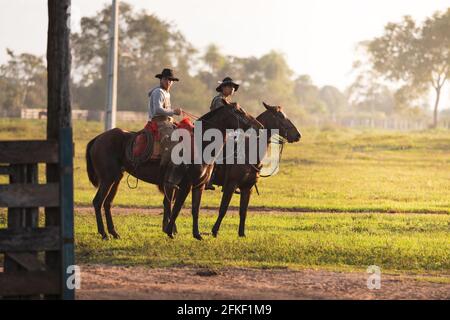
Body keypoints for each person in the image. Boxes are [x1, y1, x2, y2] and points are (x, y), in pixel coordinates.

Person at [148, 68, 184, 188]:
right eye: (167, 79)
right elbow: (158, 109)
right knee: (174, 144)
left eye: (171, 80)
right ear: (161, 80)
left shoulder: (166, 93)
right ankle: (167, 178)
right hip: (160, 123)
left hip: (167, 122)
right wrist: (174, 111)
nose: (169, 82)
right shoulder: (158, 92)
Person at [206, 77, 240, 190]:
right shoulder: (219, 100)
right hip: (214, 132)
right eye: (230, 87)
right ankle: (210, 179)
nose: (232, 89)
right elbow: (223, 118)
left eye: (233, 88)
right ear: (223, 88)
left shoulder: (225, 100)